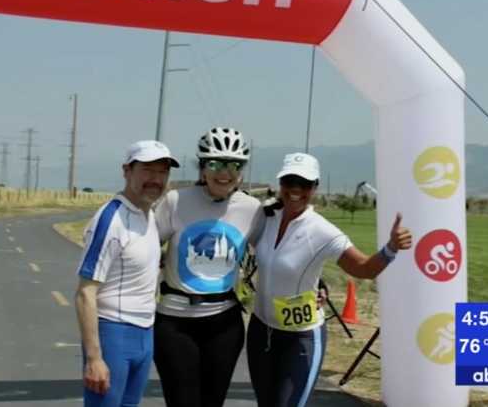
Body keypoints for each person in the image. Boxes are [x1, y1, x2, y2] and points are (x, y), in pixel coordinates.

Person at [247, 152, 413, 407]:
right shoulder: (265, 216)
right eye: (289, 181)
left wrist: (390, 248)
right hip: (261, 332)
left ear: (315, 188)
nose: (295, 190)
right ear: (280, 183)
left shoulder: (321, 230)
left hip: (300, 338)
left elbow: (364, 268)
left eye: (304, 184)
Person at [153, 127, 264, 407]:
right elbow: (146, 250)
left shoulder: (252, 209)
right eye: (214, 163)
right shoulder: (176, 201)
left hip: (223, 323)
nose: (223, 172)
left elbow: (276, 254)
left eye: (233, 164)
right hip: (175, 322)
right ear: (202, 168)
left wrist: (319, 284)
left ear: (241, 171)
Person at [74, 140, 180, 407]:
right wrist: (94, 358)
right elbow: (85, 292)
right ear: (127, 170)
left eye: (162, 172)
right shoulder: (112, 219)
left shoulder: (149, 215)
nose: (156, 179)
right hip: (113, 335)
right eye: (148, 170)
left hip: (145, 333)